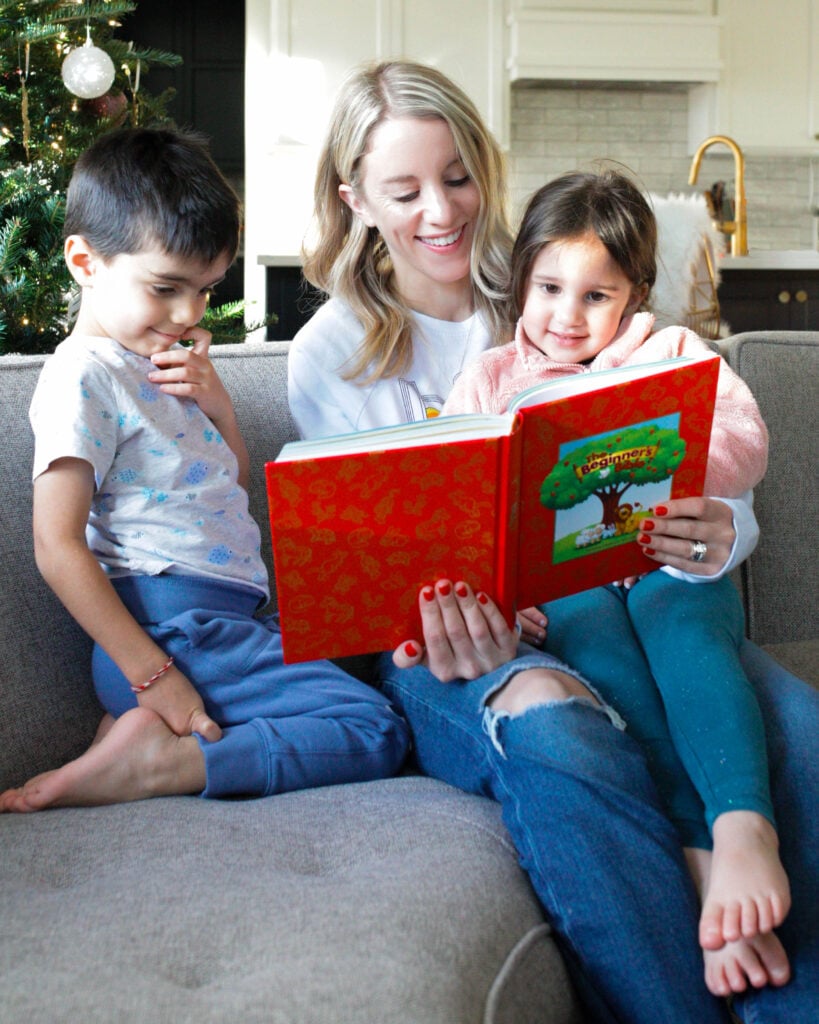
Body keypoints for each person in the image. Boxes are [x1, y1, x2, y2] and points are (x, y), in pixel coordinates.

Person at [288, 58, 818, 1022]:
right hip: (459, 646)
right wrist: (465, 617)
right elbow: (364, 559)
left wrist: (716, 534)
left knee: (798, 731)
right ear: (354, 198)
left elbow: (707, 449)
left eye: (457, 177)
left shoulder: (546, 278)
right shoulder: (335, 350)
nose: (441, 211)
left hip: (645, 584)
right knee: (564, 719)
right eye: (403, 190)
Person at [0, 125, 409, 814]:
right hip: (173, 634)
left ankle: (130, 740)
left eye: (206, 289)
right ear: (84, 262)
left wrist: (215, 403)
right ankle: (166, 762)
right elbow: (56, 545)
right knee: (374, 729)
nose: (189, 313)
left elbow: (228, 484)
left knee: (363, 671)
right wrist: (151, 673)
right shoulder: (82, 377)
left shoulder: (156, 367)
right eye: (165, 288)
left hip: (221, 626)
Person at [443, 167, 788, 980]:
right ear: (521, 279)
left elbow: (745, 441)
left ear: (633, 293)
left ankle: (743, 825)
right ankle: (697, 853)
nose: (567, 316)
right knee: (605, 666)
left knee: (688, 641)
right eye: (549, 287)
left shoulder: (669, 351)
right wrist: (498, 588)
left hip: (669, 566)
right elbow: (466, 501)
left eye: (595, 296)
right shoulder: (490, 378)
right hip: (567, 588)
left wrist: (667, 445)